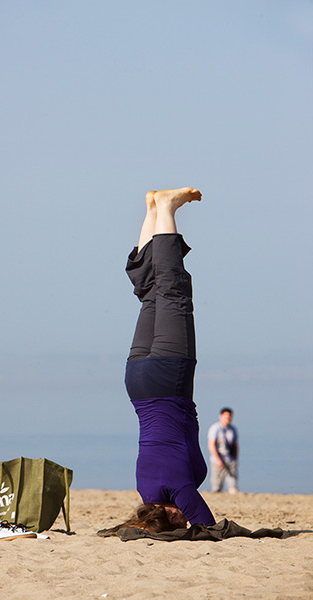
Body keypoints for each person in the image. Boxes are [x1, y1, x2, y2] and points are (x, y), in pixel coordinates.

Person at [122, 187, 215, 531]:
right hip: (137, 382)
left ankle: (167, 208)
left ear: (171, 516)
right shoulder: (145, 490)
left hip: (169, 377)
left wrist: (187, 526)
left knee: (173, 292)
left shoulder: (179, 491)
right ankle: (152, 209)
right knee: (150, 297)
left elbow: (206, 525)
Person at [208, 407, 239, 493]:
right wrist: (217, 459)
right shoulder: (215, 428)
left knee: (232, 482)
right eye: (226, 416)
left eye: (229, 416)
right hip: (217, 459)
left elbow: (235, 445)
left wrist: (235, 458)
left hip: (230, 458)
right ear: (220, 416)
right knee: (217, 484)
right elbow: (211, 444)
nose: (228, 418)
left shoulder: (233, 429)